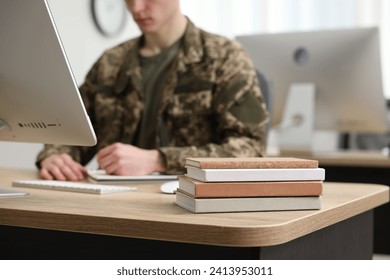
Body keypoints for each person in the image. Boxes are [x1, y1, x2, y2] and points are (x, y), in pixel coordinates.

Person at [36, 0, 269, 181]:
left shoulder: (224, 57)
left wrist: (159, 160)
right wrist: (55, 157)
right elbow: (73, 132)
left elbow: (251, 150)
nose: (137, 8)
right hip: (111, 207)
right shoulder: (111, 63)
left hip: (187, 208)